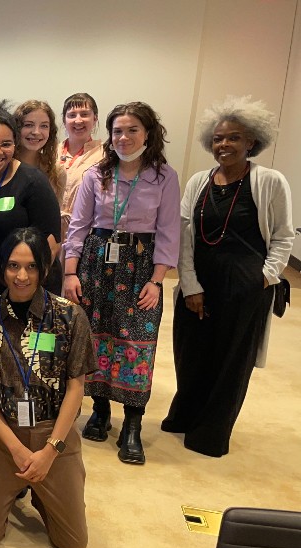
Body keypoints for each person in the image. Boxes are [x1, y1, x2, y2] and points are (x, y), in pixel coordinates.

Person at [163, 96, 295, 457]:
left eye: (234, 137)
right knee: (191, 352)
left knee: (231, 360)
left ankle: (211, 433)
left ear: (251, 141)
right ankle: (185, 414)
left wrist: (264, 277)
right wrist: (189, 284)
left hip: (245, 285)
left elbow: (283, 236)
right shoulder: (198, 181)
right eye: (218, 138)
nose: (224, 144)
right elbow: (184, 235)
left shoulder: (269, 181)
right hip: (199, 279)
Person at [63, 102, 181, 465]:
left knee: (136, 342)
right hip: (96, 264)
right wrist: (70, 273)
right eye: (117, 131)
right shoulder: (95, 175)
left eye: (132, 130)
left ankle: (132, 424)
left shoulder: (164, 177)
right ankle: (100, 410)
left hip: (140, 267)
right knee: (95, 336)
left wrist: (157, 281)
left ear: (148, 134)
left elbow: (169, 232)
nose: (124, 138)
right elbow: (78, 227)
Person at [0, 227, 94, 548]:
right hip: (0, 438)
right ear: (2, 268)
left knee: (73, 545)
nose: (21, 276)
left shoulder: (70, 316)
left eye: (31, 266)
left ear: (44, 269)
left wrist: (50, 450)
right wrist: (15, 447)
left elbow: (76, 387)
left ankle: (39, 491)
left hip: (53, 435)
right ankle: (13, 487)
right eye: (13, 266)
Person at [0, 103, 62, 298]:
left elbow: (51, 242)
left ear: (15, 145)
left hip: (28, 288)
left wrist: (18, 294)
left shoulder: (33, 181)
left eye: (6, 144)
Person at [57, 93, 105, 240]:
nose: (78, 120)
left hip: (84, 234)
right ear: (64, 120)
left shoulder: (105, 156)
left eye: (84, 114)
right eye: (72, 115)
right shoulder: (50, 152)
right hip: (48, 231)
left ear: (95, 118)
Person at [15, 100, 66, 205]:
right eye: (28, 125)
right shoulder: (2, 166)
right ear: (16, 128)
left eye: (44, 126)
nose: (36, 132)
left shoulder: (57, 173)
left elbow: (55, 213)